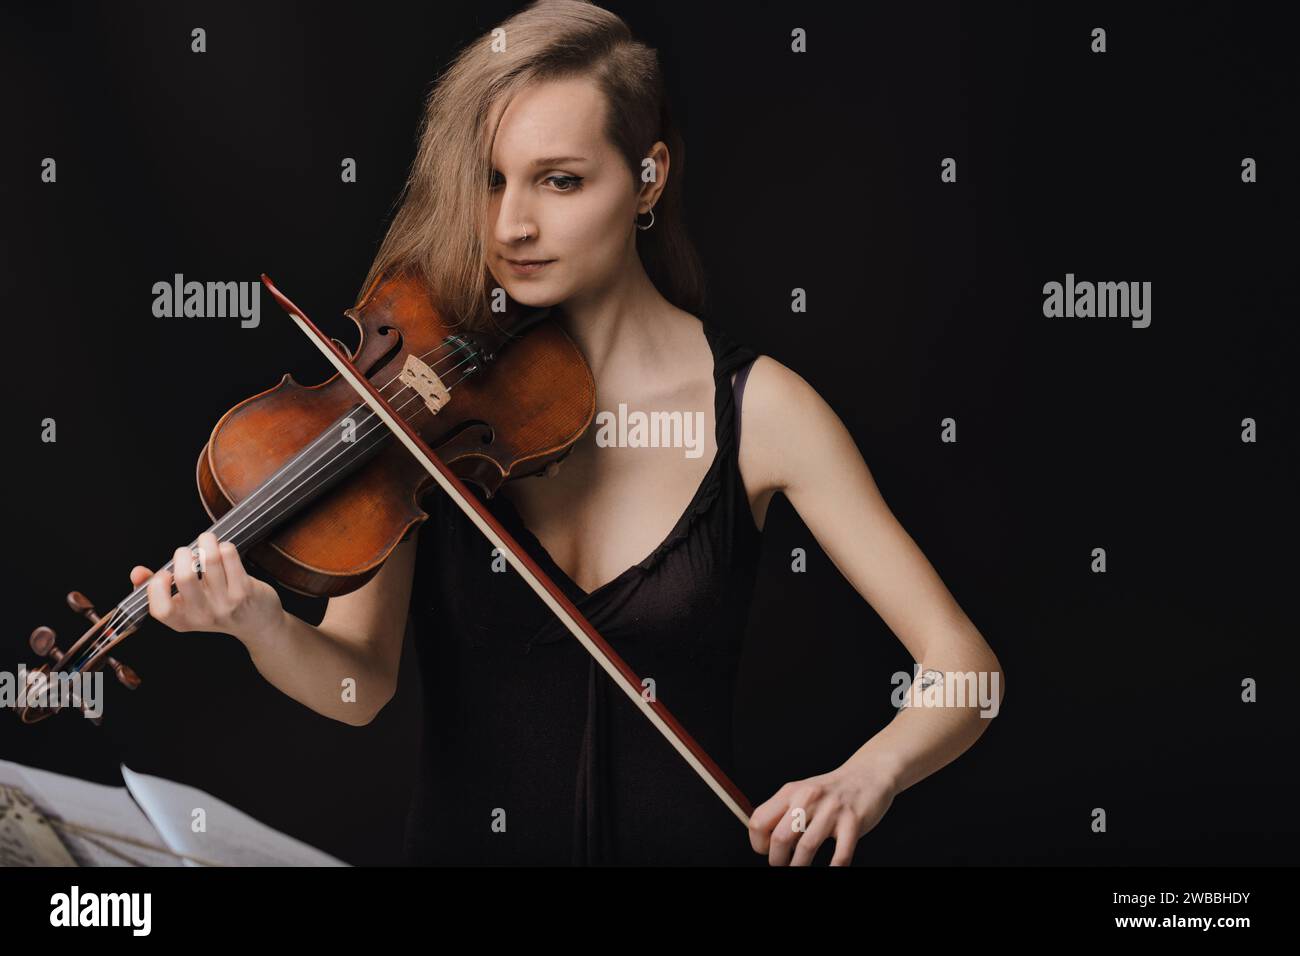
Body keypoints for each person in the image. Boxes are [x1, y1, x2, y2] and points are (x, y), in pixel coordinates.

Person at [129, 0, 1004, 866]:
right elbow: (361, 685)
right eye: (490, 179)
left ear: (649, 178)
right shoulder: (419, 401)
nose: (512, 225)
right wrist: (258, 623)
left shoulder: (763, 410)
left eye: (561, 180)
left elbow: (964, 666)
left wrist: (866, 776)